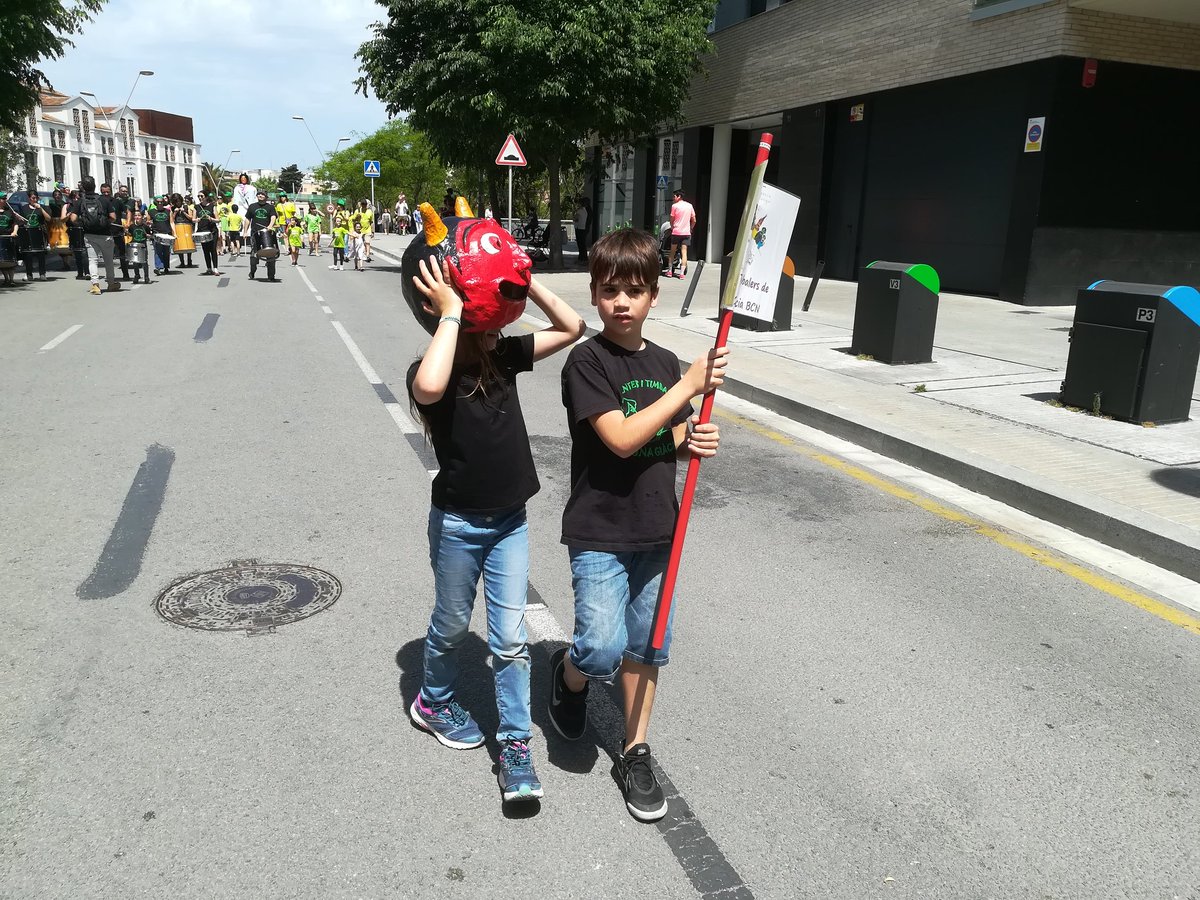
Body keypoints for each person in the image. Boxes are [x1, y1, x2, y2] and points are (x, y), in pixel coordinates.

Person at [548, 228, 727, 822]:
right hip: (600, 528)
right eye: (609, 290)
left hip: (658, 531)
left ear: (654, 296)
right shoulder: (587, 362)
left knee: (647, 645)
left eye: (635, 290)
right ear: (595, 295)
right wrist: (687, 387)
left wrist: (690, 441)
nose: (621, 302)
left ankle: (635, 749)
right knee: (600, 648)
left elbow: (662, 439)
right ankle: (569, 677)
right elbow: (623, 439)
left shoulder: (664, 361)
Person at [404, 252, 585, 803]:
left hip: (509, 524)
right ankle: (432, 700)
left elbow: (571, 328)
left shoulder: (504, 355)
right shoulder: (430, 367)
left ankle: (513, 745)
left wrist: (519, 284)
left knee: (509, 641)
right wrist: (453, 313)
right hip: (457, 524)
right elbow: (428, 390)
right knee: (453, 624)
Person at [70, 175, 120, 294]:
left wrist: (83, 223)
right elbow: (113, 217)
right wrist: (105, 223)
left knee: (92, 260)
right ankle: (111, 283)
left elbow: (73, 218)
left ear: (83, 187)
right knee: (108, 260)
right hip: (105, 234)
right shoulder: (103, 200)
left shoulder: (80, 201)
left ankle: (95, 285)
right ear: (95, 186)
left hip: (89, 235)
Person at [245, 189, 279, 282]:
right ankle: (252, 271)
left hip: (267, 233)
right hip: (255, 234)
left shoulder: (270, 207)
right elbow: (247, 219)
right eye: (259, 194)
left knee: (270, 253)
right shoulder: (252, 206)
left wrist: (270, 226)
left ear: (266, 197)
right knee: (254, 255)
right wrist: (245, 231)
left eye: (262, 194)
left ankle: (271, 276)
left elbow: (273, 217)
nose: (260, 195)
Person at [18, 190, 50, 282]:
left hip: (39, 232)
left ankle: (42, 274)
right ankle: (29, 274)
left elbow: (48, 219)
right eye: (33, 198)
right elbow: (21, 221)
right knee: (28, 254)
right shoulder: (24, 208)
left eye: (36, 198)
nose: (35, 200)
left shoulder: (42, 207)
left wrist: (41, 209)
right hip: (28, 233)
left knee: (41, 254)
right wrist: (20, 220)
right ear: (29, 199)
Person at [666, 189, 696, 279]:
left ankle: (670, 271)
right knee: (684, 252)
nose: (673, 198)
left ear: (679, 196)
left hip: (676, 232)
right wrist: (690, 228)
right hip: (686, 233)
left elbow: (671, 219)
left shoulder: (675, 206)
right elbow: (694, 220)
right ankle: (682, 274)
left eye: (674, 196)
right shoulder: (689, 206)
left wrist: (672, 226)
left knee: (672, 251)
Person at [195, 191, 222, 276]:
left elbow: (218, 219)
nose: (200, 198)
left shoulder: (212, 206)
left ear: (206, 197)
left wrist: (211, 219)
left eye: (202, 196)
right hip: (202, 231)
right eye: (198, 196)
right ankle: (209, 268)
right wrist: (197, 220)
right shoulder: (197, 207)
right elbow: (193, 219)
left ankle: (216, 268)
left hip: (212, 231)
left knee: (213, 249)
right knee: (205, 250)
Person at [148, 195, 176, 275]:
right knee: (158, 251)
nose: (160, 203)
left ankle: (166, 267)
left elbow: (171, 222)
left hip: (167, 233)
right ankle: (158, 268)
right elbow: (148, 221)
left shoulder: (168, 211)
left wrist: (175, 233)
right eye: (158, 202)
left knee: (166, 251)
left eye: (161, 202)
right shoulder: (151, 211)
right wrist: (149, 223)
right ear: (155, 202)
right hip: (157, 233)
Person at [0, 193, 19, 287]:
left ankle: (11, 279)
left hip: (8, 237)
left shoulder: (10, 211)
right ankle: (6, 279)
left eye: (5, 198)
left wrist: (14, 231)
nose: (5, 200)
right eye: (3, 199)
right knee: (1, 260)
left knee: (10, 259)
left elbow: (15, 223)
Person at [573, 196, 592, 266]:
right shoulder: (588, 210)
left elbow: (575, 218)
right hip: (585, 228)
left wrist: (574, 216)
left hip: (579, 228)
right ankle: (584, 258)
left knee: (580, 244)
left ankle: (581, 258)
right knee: (583, 243)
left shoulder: (580, 210)